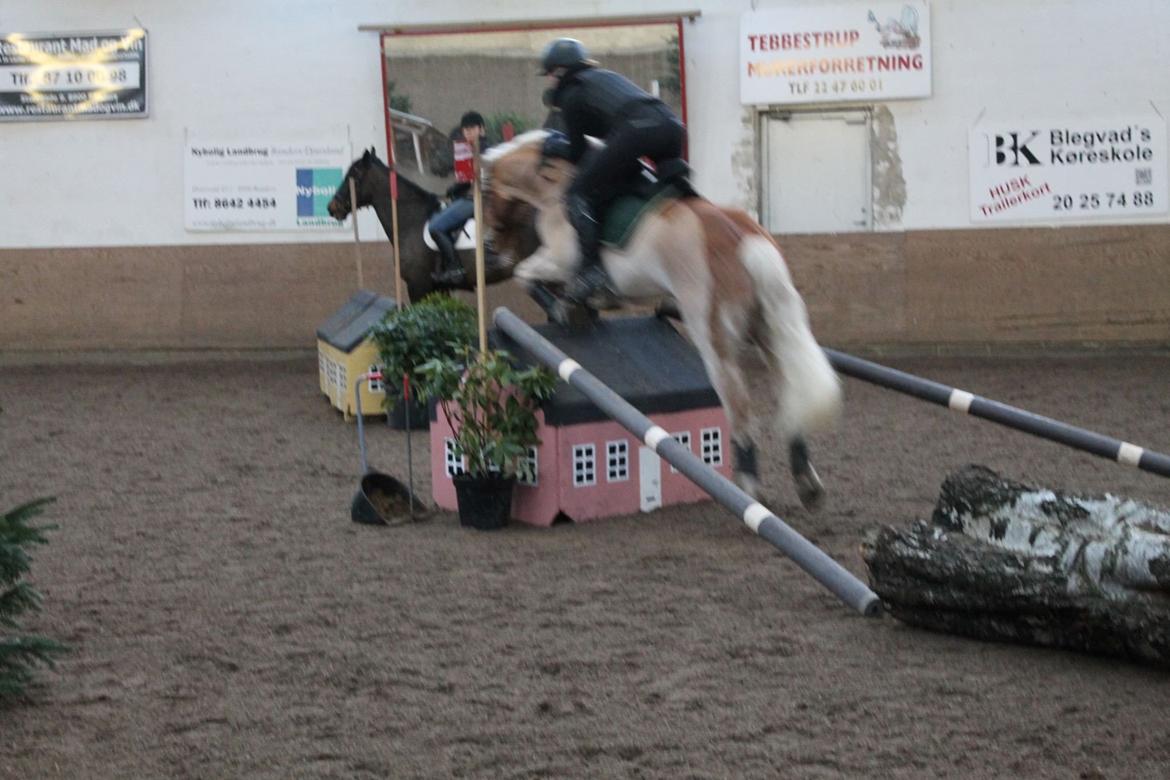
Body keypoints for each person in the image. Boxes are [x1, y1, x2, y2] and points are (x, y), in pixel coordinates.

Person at [539, 38, 686, 305]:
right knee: (654, 186)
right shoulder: (603, 76)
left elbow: (578, 153)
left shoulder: (572, 93)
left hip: (638, 130)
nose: (549, 80)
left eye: (549, 74)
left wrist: (556, 145)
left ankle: (592, 270)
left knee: (577, 193)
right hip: (672, 126)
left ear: (559, 71)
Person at [429, 111, 491, 285]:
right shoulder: (464, 148)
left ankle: (455, 268)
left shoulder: (485, 150)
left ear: (481, 129)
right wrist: (456, 188)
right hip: (469, 196)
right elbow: (464, 179)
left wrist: (456, 188)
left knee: (435, 227)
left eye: (472, 128)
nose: (469, 132)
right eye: (466, 129)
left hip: (477, 199)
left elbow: (472, 180)